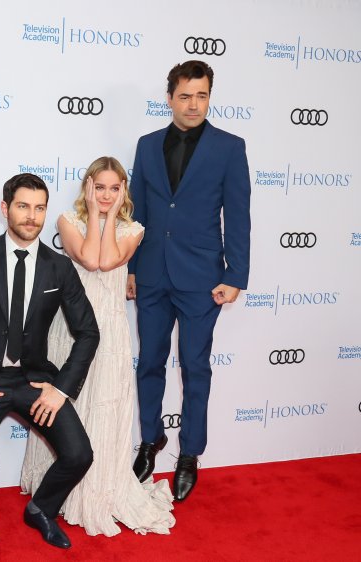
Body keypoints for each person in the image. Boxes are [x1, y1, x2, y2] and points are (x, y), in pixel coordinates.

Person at [20, 157, 175, 536]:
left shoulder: (133, 228)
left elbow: (106, 262)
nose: (106, 195)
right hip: (70, 327)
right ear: (88, 187)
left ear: (124, 190)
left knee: (102, 403)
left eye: (113, 188)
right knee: (69, 405)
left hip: (108, 329)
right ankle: (57, 484)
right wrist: (92, 213)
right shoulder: (66, 222)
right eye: (99, 187)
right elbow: (88, 258)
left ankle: (96, 489)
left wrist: (107, 220)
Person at [127, 60, 251, 502]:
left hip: (202, 278)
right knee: (149, 364)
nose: (193, 104)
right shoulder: (145, 146)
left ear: (210, 97)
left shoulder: (229, 147)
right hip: (154, 273)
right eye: (185, 96)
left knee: (196, 367)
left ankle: (189, 454)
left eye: (201, 96)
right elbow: (136, 213)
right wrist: (132, 268)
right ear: (170, 98)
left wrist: (236, 274)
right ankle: (150, 438)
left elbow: (237, 214)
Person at [0, 173, 98, 549]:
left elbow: (89, 333)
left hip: (35, 381)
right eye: (23, 206)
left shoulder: (59, 267)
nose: (31, 217)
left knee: (79, 454)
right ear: (5, 209)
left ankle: (41, 509)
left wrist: (62, 389)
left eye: (39, 208)